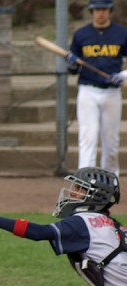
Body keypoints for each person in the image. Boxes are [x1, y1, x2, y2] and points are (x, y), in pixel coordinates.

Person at [65, 0, 127, 175]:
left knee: (111, 141)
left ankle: (110, 180)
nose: (101, 13)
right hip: (88, 91)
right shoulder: (81, 35)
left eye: (104, 9)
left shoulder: (122, 33)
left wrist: (123, 76)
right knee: (88, 137)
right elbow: (73, 69)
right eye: (97, 9)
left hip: (112, 92)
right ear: (91, 12)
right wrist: (71, 64)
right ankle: (85, 181)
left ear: (110, 11)